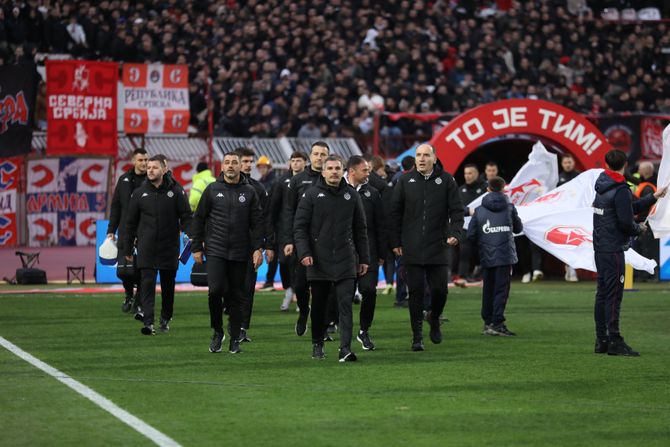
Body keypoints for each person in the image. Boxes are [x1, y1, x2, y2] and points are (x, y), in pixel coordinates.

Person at [294, 155, 369, 361]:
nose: (334, 172)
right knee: (319, 306)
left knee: (345, 305)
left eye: (338, 168)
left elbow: (360, 229)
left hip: (346, 259)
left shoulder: (352, 195)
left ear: (342, 171)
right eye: (330, 168)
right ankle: (317, 343)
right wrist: (305, 253)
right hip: (318, 260)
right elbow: (299, 227)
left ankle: (345, 349)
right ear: (323, 172)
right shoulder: (311, 195)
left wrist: (364, 258)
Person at [592, 149, 667, 356]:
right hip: (614, 248)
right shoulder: (621, 189)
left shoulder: (602, 186)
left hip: (601, 247)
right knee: (614, 295)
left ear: (607, 165)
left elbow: (628, 208)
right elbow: (626, 221)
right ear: (625, 164)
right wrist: (638, 229)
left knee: (602, 294)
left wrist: (653, 197)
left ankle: (601, 340)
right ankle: (615, 341)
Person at [391, 143, 464, 351]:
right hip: (411, 246)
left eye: (426, 155)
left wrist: (455, 233)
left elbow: (457, 210)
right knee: (415, 293)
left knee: (440, 291)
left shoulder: (447, 180)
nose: (421, 159)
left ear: (434, 158)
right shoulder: (405, 180)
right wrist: (395, 242)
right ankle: (417, 337)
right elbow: (395, 213)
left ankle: (434, 316)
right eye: (418, 155)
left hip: (438, 245)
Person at [190, 152, 264, 354]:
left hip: (241, 251)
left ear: (240, 167)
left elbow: (258, 223)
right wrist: (196, 247)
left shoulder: (249, 192)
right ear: (222, 167)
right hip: (216, 249)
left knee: (237, 295)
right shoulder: (212, 189)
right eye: (227, 162)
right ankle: (217, 331)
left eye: (234, 163)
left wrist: (258, 248)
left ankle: (234, 338)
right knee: (215, 291)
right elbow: (199, 218)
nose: (231, 166)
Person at [123, 156, 192, 335]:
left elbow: (186, 216)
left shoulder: (176, 190)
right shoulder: (139, 193)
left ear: (163, 169)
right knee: (147, 285)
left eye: (154, 167)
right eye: (149, 167)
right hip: (146, 247)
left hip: (169, 247)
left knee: (168, 286)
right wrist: (127, 246)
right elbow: (130, 222)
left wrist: (193, 236)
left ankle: (166, 317)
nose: (150, 170)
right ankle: (148, 322)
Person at [282, 141, 330, 336]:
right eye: (316, 153)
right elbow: (289, 211)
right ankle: (304, 311)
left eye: (323, 154)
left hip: (327, 242)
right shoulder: (298, 180)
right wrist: (289, 240)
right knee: (301, 285)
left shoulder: (333, 178)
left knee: (325, 288)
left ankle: (323, 325)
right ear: (310, 156)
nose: (319, 157)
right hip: (303, 241)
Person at [467, 176, 523, 336]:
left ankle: (488, 322)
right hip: (505, 256)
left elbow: (471, 235)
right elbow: (518, 229)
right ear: (504, 189)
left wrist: (483, 245)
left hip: (486, 256)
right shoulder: (510, 207)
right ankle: (497, 323)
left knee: (488, 290)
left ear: (487, 189)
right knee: (501, 290)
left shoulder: (479, 210)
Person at [345, 156, 386, 351]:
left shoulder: (373, 193)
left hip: (368, 252)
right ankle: (337, 328)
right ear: (352, 171)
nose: (369, 173)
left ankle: (364, 330)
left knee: (369, 290)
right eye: (365, 170)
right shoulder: (338, 190)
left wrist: (382, 252)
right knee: (342, 295)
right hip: (344, 252)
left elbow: (380, 224)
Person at [237, 147, 274, 343]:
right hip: (225, 246)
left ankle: (242, 327)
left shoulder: (258, 188)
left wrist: (267, 245)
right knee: (224, 288)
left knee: (247, 288)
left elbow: (266, 219)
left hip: (251, 246)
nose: (248, 165)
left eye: (250, 162)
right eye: (245, 161)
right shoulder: (218, 187)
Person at [107, 148, 148, 313]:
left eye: (146, 160)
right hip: (126, 232)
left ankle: (139, 300)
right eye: (140, 160)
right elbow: (116, 206)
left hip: (146, 232)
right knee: (124, 271)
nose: (144, 163)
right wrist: (111, 229)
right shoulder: (123, 180)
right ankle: (129, 293)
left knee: (144, 270)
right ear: (133, 161)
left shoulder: (152, 180)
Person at [271, 151, 307, 310]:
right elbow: (275, 206)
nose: (296, 163)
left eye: (299, 160)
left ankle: (300, 296)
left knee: (300, 264)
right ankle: (288, 289)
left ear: (305, 162)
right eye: (293, 160)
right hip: (284, 230)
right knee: (284, 262)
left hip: (303, 229)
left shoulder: (310, 180)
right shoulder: (281, 181)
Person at [455, 163, 486, 286]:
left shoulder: (485, 188)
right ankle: (462, 276)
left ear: (477, 174)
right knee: (464, 251)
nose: (467, 176)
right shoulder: (460, 190)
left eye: (470, 173)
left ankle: (483, 274)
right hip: (465, 226)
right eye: (465, 173)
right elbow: (457, 207)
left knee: (483, 251)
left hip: (483, 225)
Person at [257, 155, 280, 291]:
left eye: (264, 166)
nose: (262, 169)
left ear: (269, 167)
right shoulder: (262, 182)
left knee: (274, 251)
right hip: (266, 220)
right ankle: (269, 280)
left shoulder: (273, 182)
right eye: (260, 167)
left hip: (273, 222)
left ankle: (270, 281)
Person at [557, 154, 581, 282]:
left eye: (569, 162)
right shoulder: (558, 178)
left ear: (573, 163)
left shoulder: (579, 176)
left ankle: (572, 268)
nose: (567, 165)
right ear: (562, 164)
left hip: (576, 214)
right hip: (563, 215)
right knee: (566, 243)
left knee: (576, 241)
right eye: (565, 162)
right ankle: (569, 267)